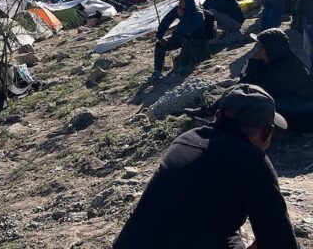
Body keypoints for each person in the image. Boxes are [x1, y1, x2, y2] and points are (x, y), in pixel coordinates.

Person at [114, 83, 298, 249]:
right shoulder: (252, 162)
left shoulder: (185, 140)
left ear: (218, 116)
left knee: (231, 234)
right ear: (267, 132)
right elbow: (282, 243)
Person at [241, 28, 313, 132]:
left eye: (260, 46)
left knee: (253, 106)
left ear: (271, 48)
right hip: (297, 106)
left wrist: (252, 61)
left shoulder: (281, 72)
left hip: (301, 113)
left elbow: (246, 87)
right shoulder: (284, 59)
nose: (257, 48)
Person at [153, 0, 206, 78]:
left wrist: (183, 16)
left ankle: (183, 67)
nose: (179, 3)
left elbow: (189, 30)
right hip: (180, 38)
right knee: (159, 44)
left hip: (195, 40)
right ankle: (157, 72)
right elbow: (166, 20)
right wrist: (160, 36)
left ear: (188, 2)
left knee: (186, 38)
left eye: (181, 1)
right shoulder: (179, 9)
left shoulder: (198, 13)